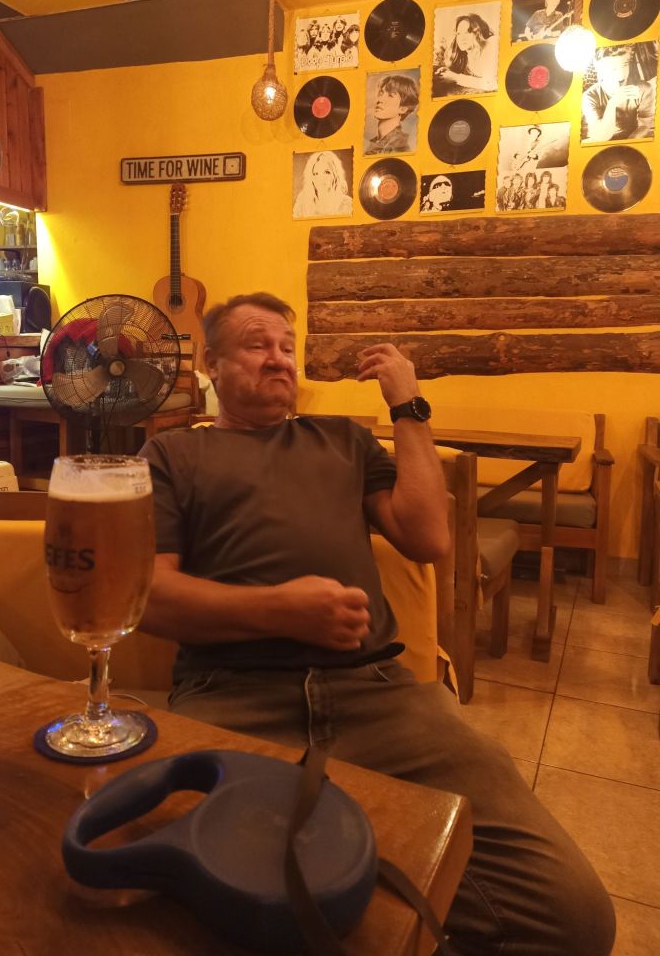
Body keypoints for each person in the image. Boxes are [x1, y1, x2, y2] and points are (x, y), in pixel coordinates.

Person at [140, 292, 615, 956]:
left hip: (381, 698)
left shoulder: (343, 439)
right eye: (256, 344)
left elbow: (428, 537)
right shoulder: (171, 455)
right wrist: (278, 610)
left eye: (286, 346)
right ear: (211, 364)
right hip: (232, 699)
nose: (279, 358)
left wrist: (408, 405)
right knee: (203, 906)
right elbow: (146, 598)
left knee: (571, 917)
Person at [582, 44, 656, 142]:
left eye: (624, 65)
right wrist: (612, 103)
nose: (621, 74)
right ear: (598, 67)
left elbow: (645, 126)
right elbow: (601, 137)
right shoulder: (589, 96)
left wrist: (629, 143)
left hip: (633, 137)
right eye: (612, 68)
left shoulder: (644, 89)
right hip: (602, 140)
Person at [434, 12, 497, 95]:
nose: (462, 38)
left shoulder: (491, 45)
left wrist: (455, 77)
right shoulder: (466, 54)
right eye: (459, 33)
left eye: (467, 32)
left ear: (478, 33)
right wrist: (449, 72)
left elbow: (491, 84)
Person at [366, 73, 419, 154]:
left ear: (402, 109)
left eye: (390, 96)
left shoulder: (400, 148)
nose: (380, 100)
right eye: (381, 93)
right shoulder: (375, 143)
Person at [292, 151, 353, 218]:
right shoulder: (302, 203)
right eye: (316, 173)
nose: (321, 178)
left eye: (326, 172)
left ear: (335, 175)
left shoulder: (347, 205)